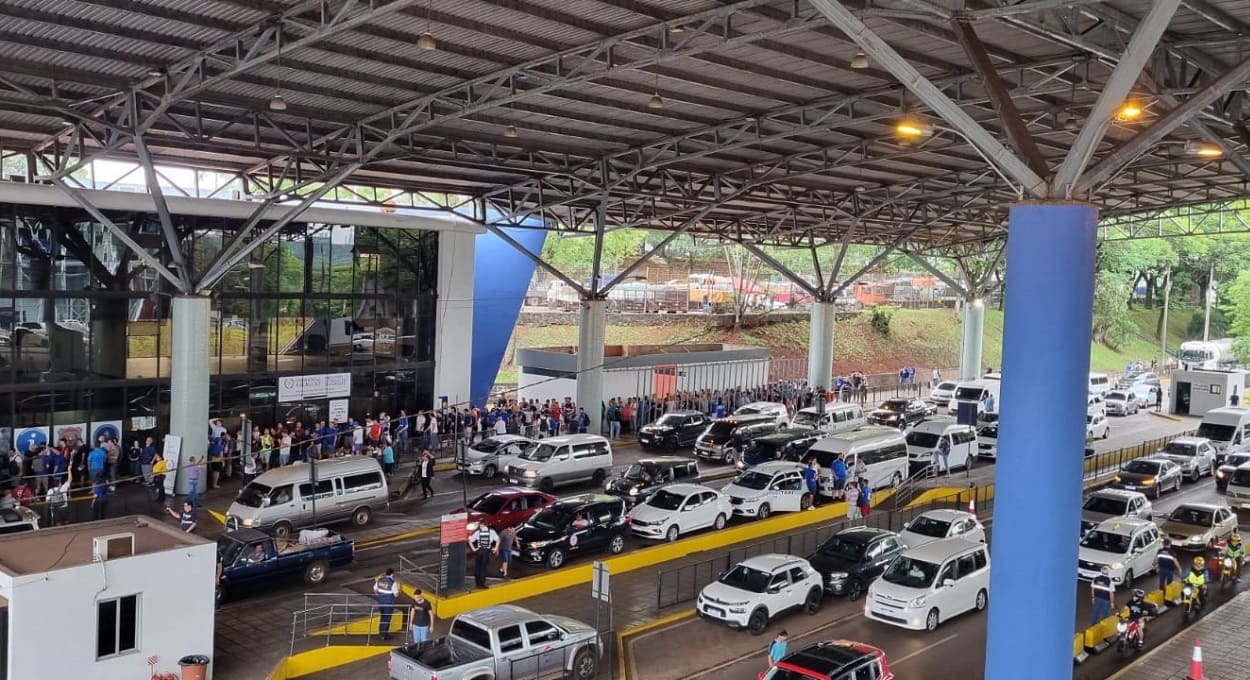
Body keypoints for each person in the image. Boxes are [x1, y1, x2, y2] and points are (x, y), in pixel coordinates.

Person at [471, 523, 499, 589]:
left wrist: (473, 549)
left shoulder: (478, 532)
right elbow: (498, 540)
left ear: (482, 525)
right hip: (486, 551)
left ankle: (477, 582)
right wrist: (495, 548)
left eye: (480, 525)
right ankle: (481, 584)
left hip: (479, 551)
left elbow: (470, 540)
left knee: (478, 567)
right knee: (483, 568)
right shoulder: (491, 532)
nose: (479, 526)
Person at [374, 568, 400, 641]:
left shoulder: (380, 579)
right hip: (388, 603)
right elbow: (395, 595)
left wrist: (379, 595)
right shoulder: (393, 582)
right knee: (386, 619)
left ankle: (382, 633)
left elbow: (375, 589)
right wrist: (398, 592)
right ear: (392, 574)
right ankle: (384, 635)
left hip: (380, 602)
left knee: (383, 617)